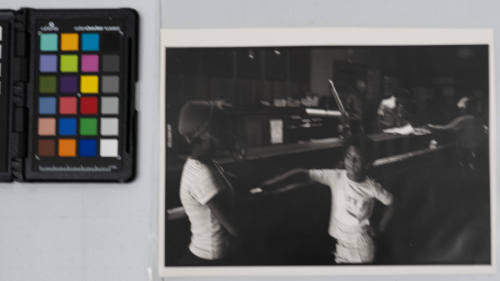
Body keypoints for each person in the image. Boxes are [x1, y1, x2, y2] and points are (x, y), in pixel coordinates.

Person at [260, 136, 394, 264]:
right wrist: (275, 182)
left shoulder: (372, 187)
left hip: (362, 248)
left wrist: (380, 228)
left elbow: (391, 203)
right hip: (340, 247)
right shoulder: (335, 177)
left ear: (367, 163)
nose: (351, 163)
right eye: (348, 157)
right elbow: (304, 173)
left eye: (357, 159)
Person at [177, 101, 240, 266]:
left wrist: (236, 153)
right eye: (223, 128)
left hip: (212, 253)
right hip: (212, 257)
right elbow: (235, 228)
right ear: (206, 134)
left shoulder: (205, 164)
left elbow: (231, 183)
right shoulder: (202, 174)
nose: (229, 132)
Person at [428, 96, 488, 170]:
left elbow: (446, 128)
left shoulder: (463, 119)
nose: (460, 110)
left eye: (461, 109)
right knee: (472, 163)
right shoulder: (477, 118)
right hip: (476, 145)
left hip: (466, 146)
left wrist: (432, 126)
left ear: (464, 108)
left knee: (465, 164)